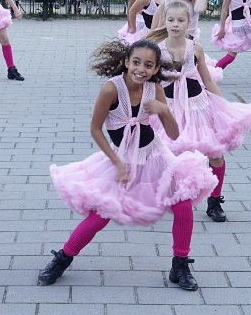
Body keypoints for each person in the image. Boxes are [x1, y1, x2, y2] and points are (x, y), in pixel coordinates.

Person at [40, 39, 216, 291]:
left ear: (156, 69)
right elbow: (95, 129)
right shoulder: (111, 89)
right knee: (101, 214)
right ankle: (63, 258)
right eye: (136, 62)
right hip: (120, 158)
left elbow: (174, 135)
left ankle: (180, 265)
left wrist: (163, 111)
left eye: (148, 65)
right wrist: (117, 163)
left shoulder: (154, 89)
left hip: (155, 156)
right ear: (126, 62)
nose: (141, 69)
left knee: (183, 205)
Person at [147, 2, 251, 222]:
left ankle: (215, 200)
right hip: (171, 106)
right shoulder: (157, 49)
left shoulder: (195, 47)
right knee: (168, 152)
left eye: (181, 20)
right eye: (171, 20)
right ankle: (168, 195)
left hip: (198, 105)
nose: (175, 25)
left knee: (215, 152)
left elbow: (206, 79)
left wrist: (223, 107)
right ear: (164, 22)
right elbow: (150, 81)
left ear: (189, 23)